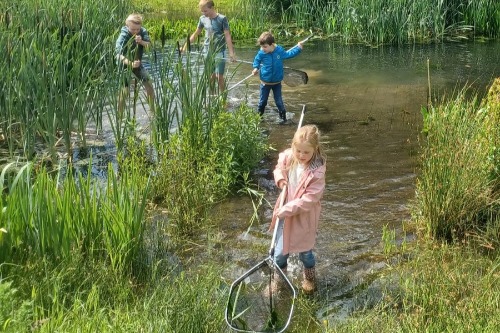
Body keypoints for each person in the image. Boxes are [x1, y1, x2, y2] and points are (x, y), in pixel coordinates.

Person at [270, 124, 326, 294]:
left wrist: (287, 209)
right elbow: (279, 167)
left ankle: (309, 278)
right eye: (298, 151)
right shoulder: (289, 157)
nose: (301, 155)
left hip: (303, 217)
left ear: (315, 150)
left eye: (306, 152)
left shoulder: (317, 172)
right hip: (285, 214)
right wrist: (281, 179)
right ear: (293, 146)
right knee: (279, 253)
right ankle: (279, 280)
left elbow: (309, 200)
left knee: (305, 252)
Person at [184, 0, 236, 94]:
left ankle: (223, 98)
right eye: (202, 11)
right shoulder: (202, 19)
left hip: (219, 51)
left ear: (212, 8)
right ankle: (211, 97)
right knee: (210, 76)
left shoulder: (222, 18)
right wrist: (185, 47)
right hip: (207, 51)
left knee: (219, 76)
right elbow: (196, 34)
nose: (203, 13)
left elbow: (227, 36)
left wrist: (231, 53)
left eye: (205, 11)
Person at [252, 32, 303, 124]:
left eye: (265, 47)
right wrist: (255, 68)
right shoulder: (261, 53)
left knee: (279, 102)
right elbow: (257, 61)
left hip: (277, 83)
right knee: (262, 102)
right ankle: (259, 119)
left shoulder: (279, 50)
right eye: (262, 46)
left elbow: (288, 54)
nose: (263, 49)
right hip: (265, 83)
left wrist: (298, 48)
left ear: (272, 45)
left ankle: (283, 120)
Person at [115, 13, 155, 113]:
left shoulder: (142, 32)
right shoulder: (123, 35)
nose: (136, 32)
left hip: (138, 64)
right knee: (125, 91)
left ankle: (152, 112)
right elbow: (118, 55)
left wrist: (141, 41)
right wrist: (131, 64)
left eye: (138, 29)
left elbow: (149, 46)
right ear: (127, 26)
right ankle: (119, 117)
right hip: (124, 65)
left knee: (149, 85)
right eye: (133, 29)